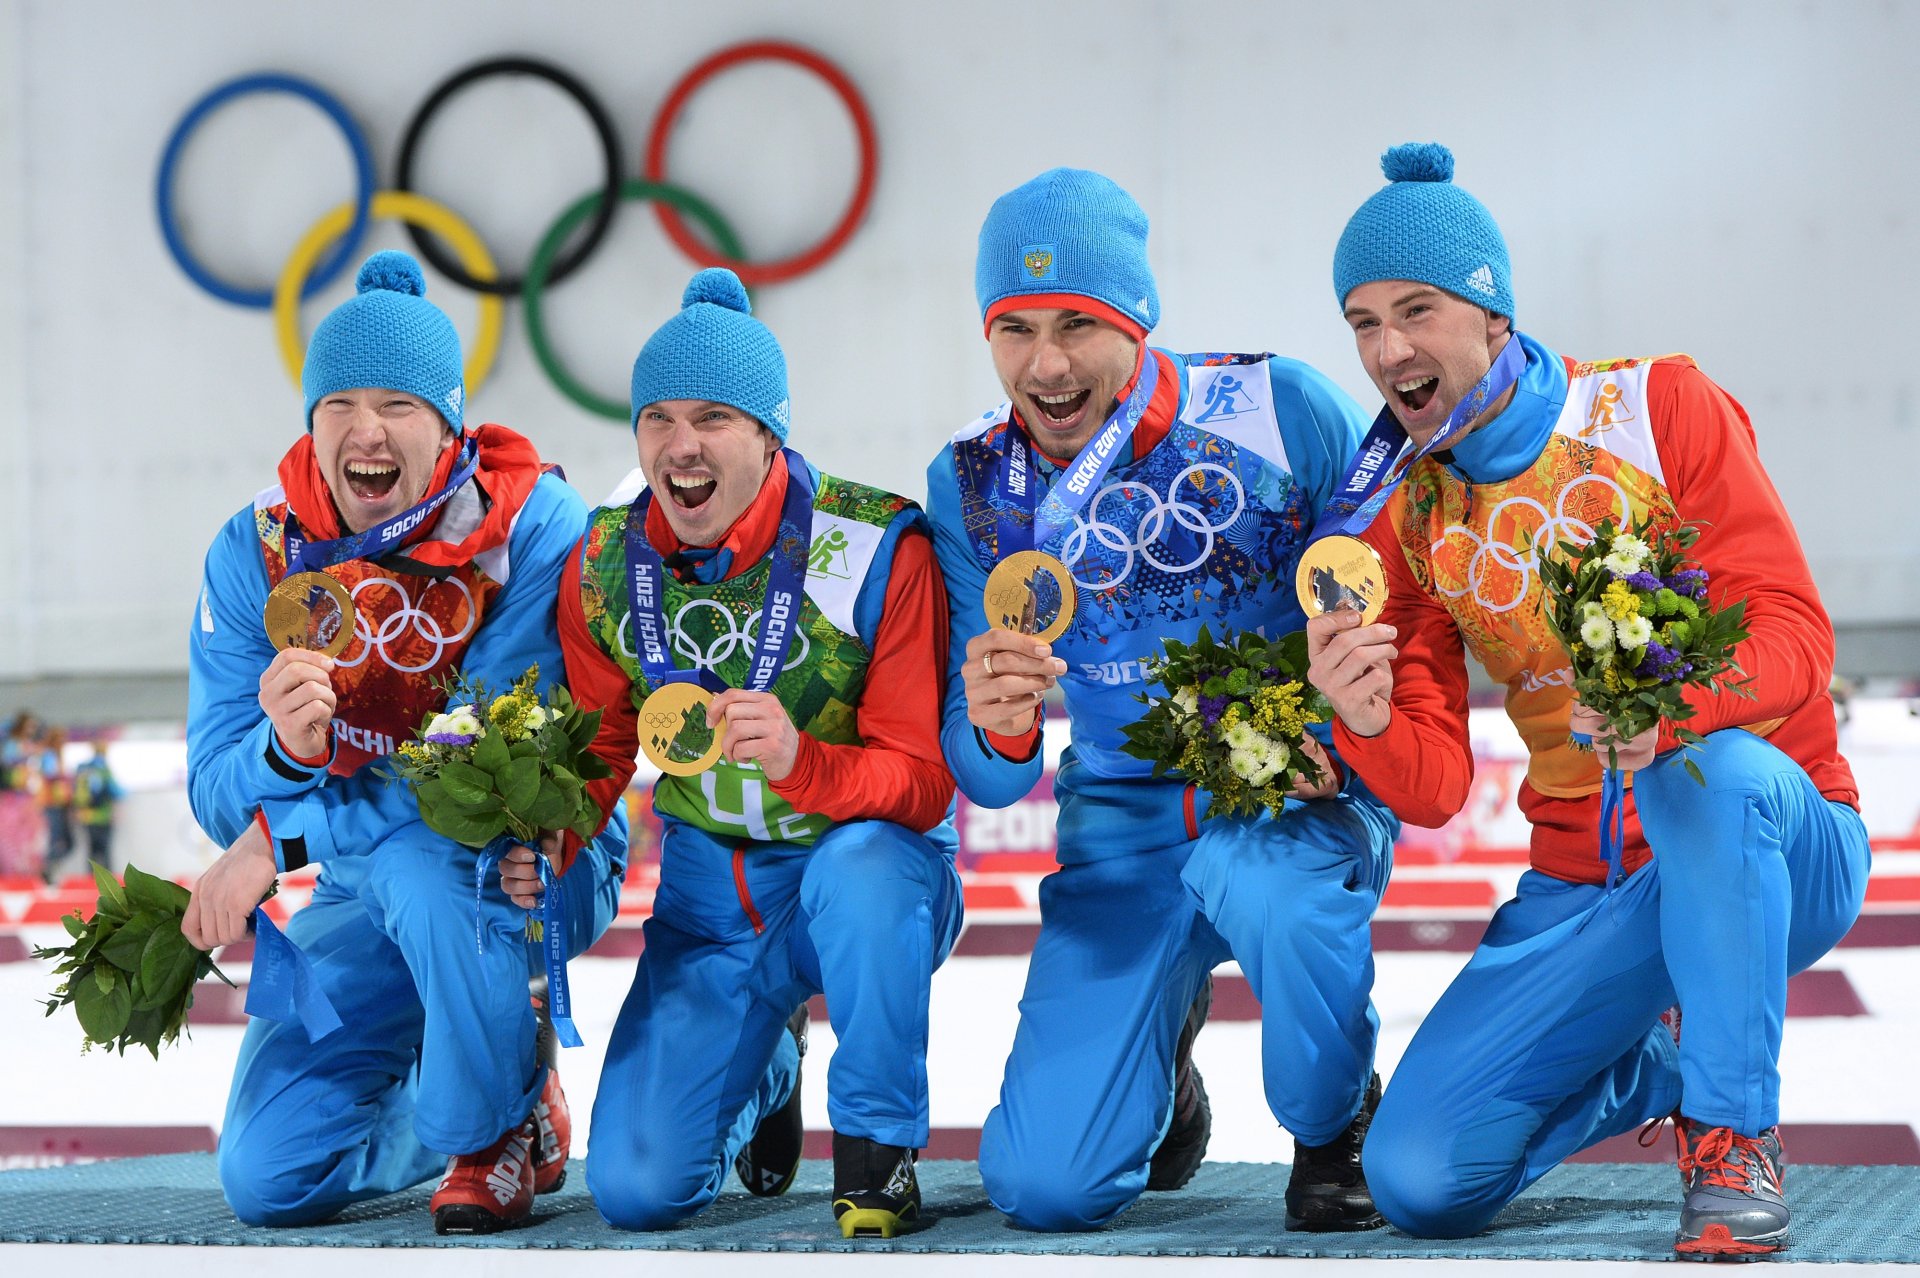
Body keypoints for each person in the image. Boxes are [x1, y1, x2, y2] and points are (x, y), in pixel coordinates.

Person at [1309, 143, 1867, 1258]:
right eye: (1362, 323)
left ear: (1493, 315)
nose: (1387, 350)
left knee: (1707, 774)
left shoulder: (1658, 406)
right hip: (1586, 885)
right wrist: (1363, 720)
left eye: (1416, 311)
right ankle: (1656, 1057)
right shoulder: (1403, 513)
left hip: (1772, 838)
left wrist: (1676, 711)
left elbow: (1797, 636)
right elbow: (1436, 789)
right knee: (1418, 1178)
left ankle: (1733, 1133)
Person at [927, 168, 1400, 1232]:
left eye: (1078, 325)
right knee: (1043, 1191)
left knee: (1272, 888)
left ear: (1137, 321)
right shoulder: (970, 485)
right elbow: (983, 771)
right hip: (1121, 830)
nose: (1046, 366)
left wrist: (1344, 744)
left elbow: (1399, 615)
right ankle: (1161, 1076)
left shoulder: (1280, 410)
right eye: (1014, 329)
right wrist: (998, 726)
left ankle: (1334, 1124)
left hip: (1289, 803)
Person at [183, 250, 628, 1235]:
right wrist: (280, 754)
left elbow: (474, 766)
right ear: (311, 421)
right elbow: (214, 784)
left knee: (430, 870)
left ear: (450, 423)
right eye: (339, 403)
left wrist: (279, 839)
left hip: (528, 849)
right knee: (269, 1179)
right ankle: (479, 1079)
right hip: (358, 876)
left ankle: (492, 1126)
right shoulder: (255, 552)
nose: (367, 430)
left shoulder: (531, 525)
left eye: (398, 404)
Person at [516, 268, 959, 1239]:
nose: (681, 446)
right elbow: (599, 747)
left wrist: (806, 762)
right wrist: (548, 833)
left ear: (769, 434)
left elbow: (926, 785)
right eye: (657, 419)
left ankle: (877, 1147)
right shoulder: (602, 561)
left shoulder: (875, 546)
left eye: (713, 418)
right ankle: (771, 1064)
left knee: (866, 870)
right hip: (712, 895)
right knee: (638, 1193)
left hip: (861, 871)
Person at [72, 741, 122, 870]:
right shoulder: (104, 769)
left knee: (91, 853)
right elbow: (117, 792)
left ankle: (91, 879)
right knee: (105, 853)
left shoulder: (84, 769)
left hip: (86, 816)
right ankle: (107, 881)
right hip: (103, 816)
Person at [38, 727, 75, 883]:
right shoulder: (48, 756)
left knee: (69, 843)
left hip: (62, 805)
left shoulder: (60, 757)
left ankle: (48, 869)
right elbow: (49, 775)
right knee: (55, 840)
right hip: (52, 804)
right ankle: (46, 870)